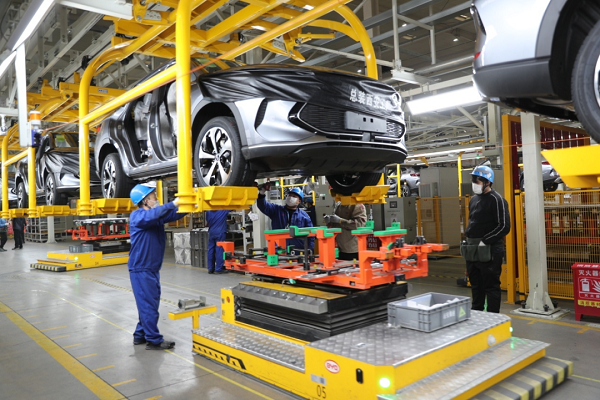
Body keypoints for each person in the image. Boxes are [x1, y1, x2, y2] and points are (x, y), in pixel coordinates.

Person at [129, 182, 187, 350]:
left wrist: (190, 205)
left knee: (149, 303)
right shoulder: (138, 216)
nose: (157, 199)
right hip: (141, 269)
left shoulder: (154, 217)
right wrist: (173, 203)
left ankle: (139, 335)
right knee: (149, 305)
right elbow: (155, 214)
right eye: (153, 196)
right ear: (145, 200)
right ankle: (154, 340)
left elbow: (172, 215)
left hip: (151, 269)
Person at [464, 165, 510, 313]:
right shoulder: (473, 200)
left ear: (487, 182)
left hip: (490, 250)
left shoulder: (497, 200)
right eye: (473, 180)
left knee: (491, 286)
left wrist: (485, 241)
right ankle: (477, 314)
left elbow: (504, 226)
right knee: (476, 285)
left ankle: (492, 317)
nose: (474, 184)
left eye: (476, 181)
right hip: (473, 250)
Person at [256, 185, 314, 251]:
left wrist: (310, 250)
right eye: (289, 195)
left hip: (298, 251)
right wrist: (261, 194)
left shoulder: (304, 216)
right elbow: (263, 206)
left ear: (299, 201)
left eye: (294, 196)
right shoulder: (276, 210)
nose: (290, 197)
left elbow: (311, 234)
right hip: (279, 249)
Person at [206, 210, 230, 274]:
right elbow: (232, 206)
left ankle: (210, 268)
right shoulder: (222, 210)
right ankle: (218, 269)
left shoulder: (208, 211)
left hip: (211, 232)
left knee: (211, 249)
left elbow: (207, 220)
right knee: (219, 250)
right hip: (220, 232)